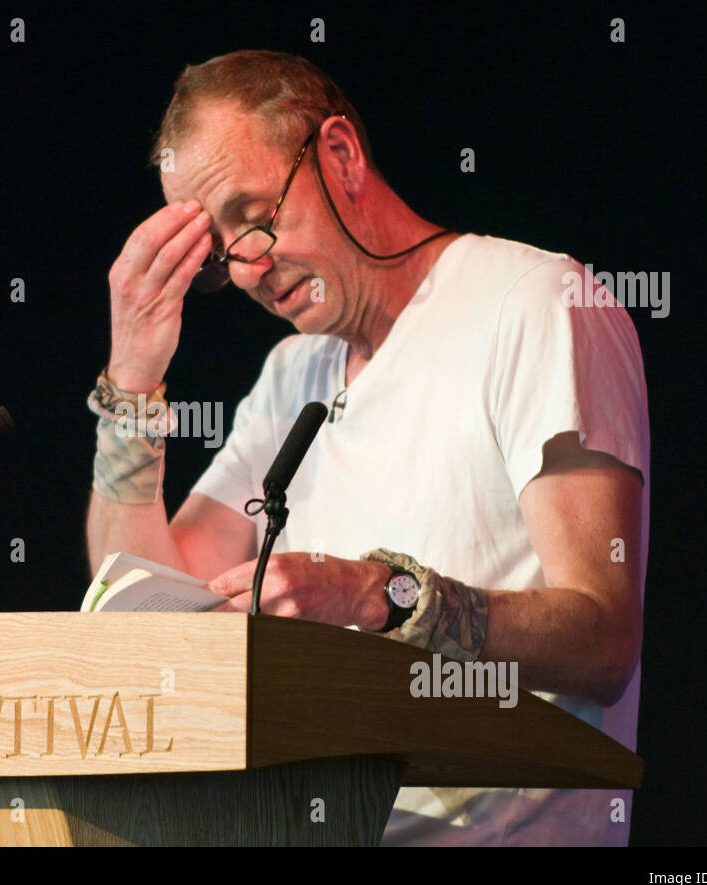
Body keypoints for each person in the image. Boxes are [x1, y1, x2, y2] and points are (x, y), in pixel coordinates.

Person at [85, 50, 649, 845]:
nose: (244, 269)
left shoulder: (535, 303)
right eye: (216, 253)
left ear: (340, 156)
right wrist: (132, 385)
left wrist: (376, 594)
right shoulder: (291, 375)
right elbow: (145, 601)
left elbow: (602, 642)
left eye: (253, 214)